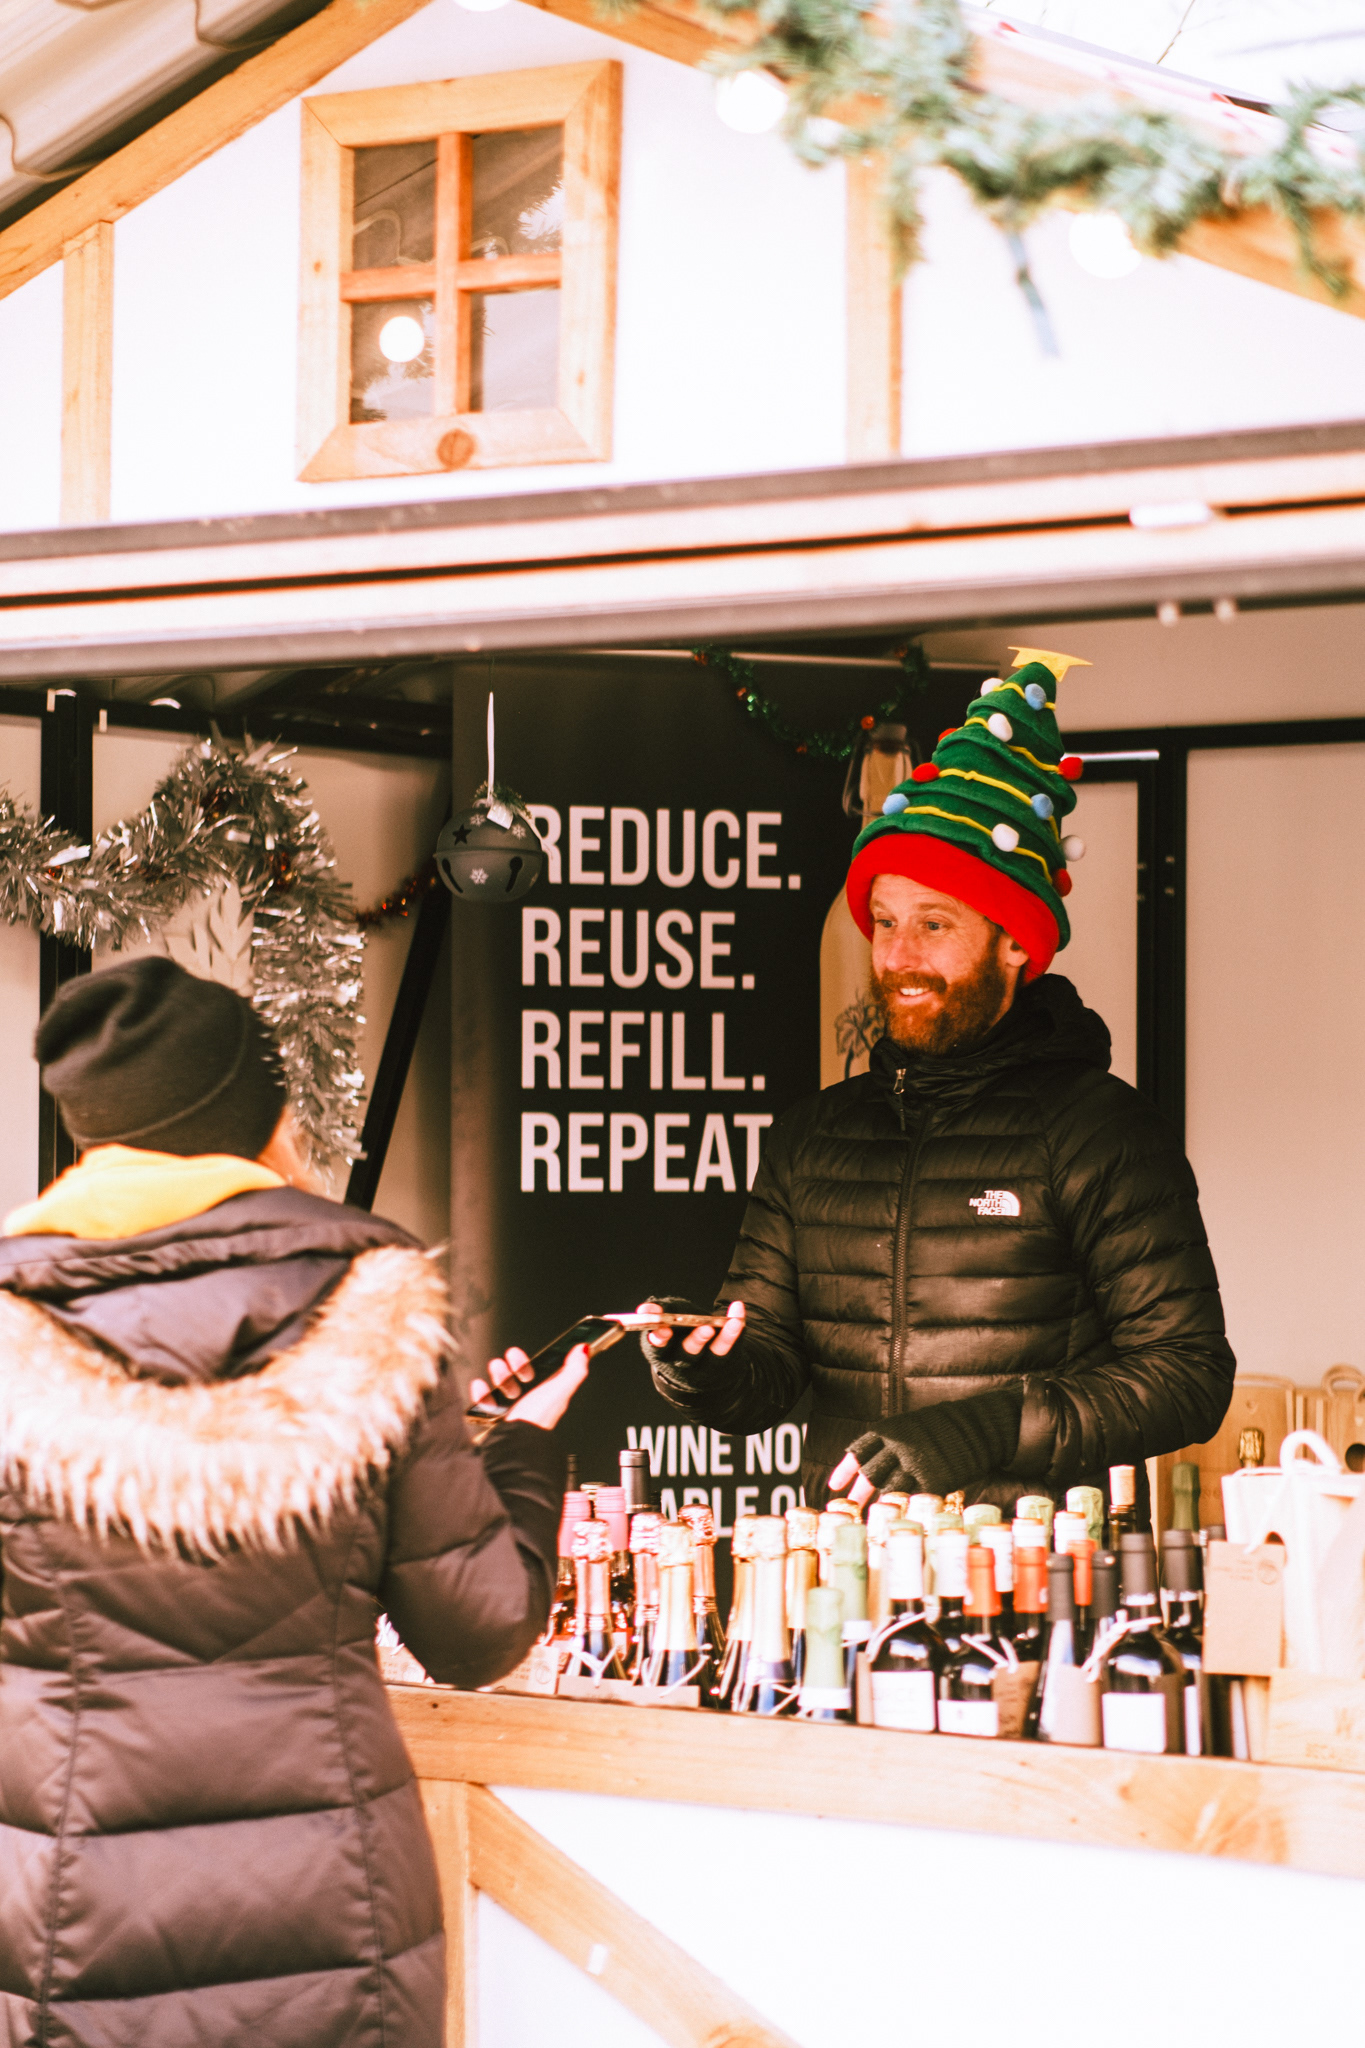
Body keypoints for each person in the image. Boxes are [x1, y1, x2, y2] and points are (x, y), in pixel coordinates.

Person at [0, 955, 585, 2047]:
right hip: (336, 1914)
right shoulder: (371, 1299)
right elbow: (477, 1629)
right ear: (253, 1116)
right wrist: (525, 1450)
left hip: (76, 1921)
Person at [637, 649, 1235, 1517]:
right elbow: (764, 1374)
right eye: (883, 923)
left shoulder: (1099, 1128)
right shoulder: (812, 1136)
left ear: (1015, 942)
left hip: (1035, 1569)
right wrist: (700, 1364)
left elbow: (1186, 1374)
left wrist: (987, 1429)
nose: (897, 957)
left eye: (932, 925)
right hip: (849, 1563)